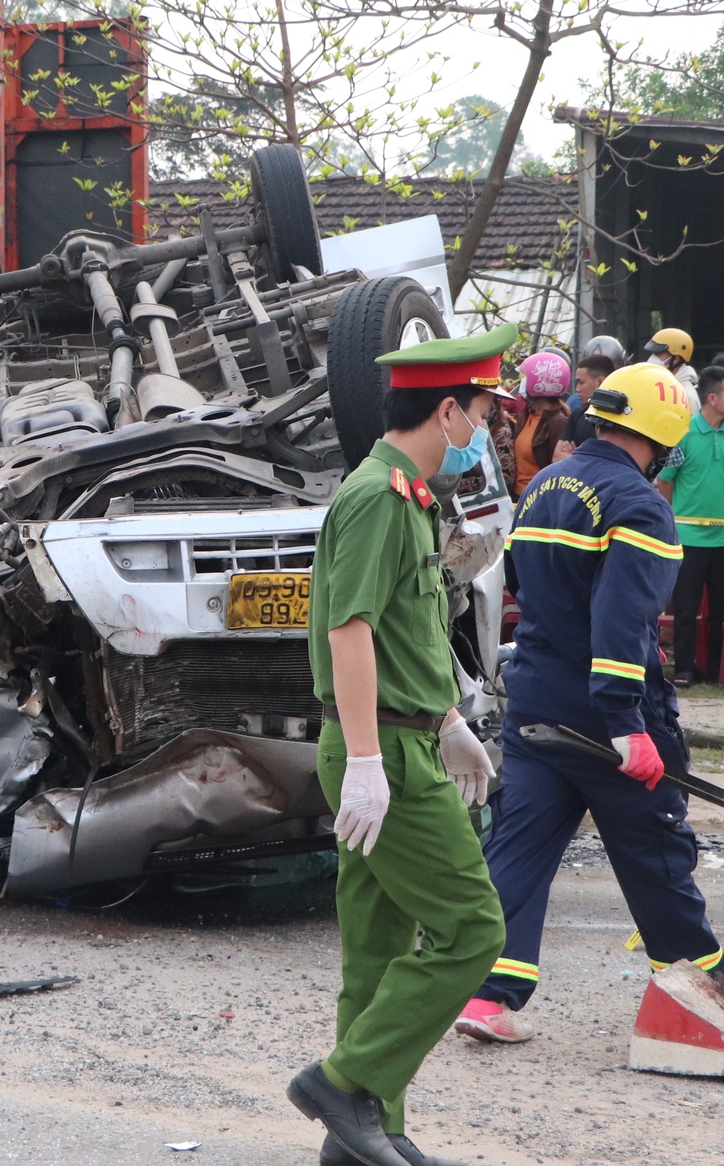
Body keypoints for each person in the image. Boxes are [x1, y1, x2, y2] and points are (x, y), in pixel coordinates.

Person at [458, 361, 724, 1047]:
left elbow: (522, 586)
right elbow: (624, 622)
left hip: (534, 701)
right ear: (664, 432)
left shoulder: (543, 488)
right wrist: (627, 723)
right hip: (606, 719)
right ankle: (700, 993)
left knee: (518, 850)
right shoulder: (640, 505)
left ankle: (487, 995)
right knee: (654, 853)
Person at [285, 324, 513, 1166]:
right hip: (381, 751)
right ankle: (345, 1082)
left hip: (403, 738)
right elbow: (348, 633)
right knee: (471, 929)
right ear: (447, 410)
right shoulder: (379, 498)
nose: (483, 431)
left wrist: (451, 722)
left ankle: (363, 1138)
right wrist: (373, 762)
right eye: (483, 413)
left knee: (379, 946)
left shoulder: (408, 496)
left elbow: (404, 632)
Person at [658, 366, 724, 685]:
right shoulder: (683, 434)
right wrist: (671, 520)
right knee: (685, 608)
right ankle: (684, 668)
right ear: (712, 398)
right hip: (689, 538)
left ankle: (716, 668)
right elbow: (664, 481)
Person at [510, 351, 571, 494]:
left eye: (524, 379)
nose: (521, 384)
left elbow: (558, 469)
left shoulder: (558, 422)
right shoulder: (526, 415)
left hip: (538, 497)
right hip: (518, 496)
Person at [558, 352, 615, 459]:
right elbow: (557, 457)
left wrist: (576, 456)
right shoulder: (577, 415)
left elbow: (610, 461)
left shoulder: (620, 418)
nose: (577, 389)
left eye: (581, 382)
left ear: (600, 382)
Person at [642, 327, 700, 409]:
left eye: (658, 354)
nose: (652, 358)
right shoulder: (661, 387)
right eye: (653, 354)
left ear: (676, 359)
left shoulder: (687, 397)